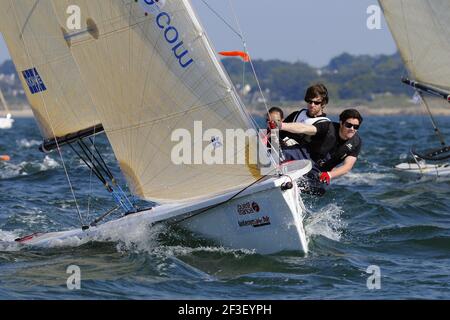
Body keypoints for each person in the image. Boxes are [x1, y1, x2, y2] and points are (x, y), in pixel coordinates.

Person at [270, 109, 363, 192]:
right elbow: (304, 128)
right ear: (341, 123)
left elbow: (347, 166)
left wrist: (329, 175)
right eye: (348, 125)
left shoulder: (356, 143)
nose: (352, 129)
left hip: (320, 171)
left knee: (318, 191)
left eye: (356, 127)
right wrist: (280, 125)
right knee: (273, 156)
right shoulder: (328, 127)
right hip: (303, 155)